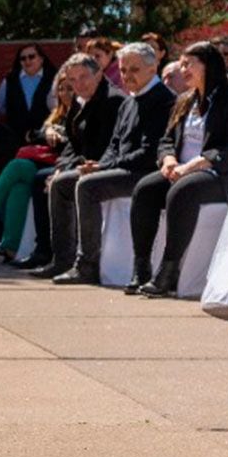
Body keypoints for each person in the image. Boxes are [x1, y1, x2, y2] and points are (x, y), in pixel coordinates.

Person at [127, 41, 228, 298]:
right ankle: (141, 267)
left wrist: (197, 164)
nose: (183, 69)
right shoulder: (185, 101)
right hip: (180, 170)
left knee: (183, 191)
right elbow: (166, 140)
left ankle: (169, 271)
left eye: (189, 64)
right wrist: (168, 161)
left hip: (218, 174)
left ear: (207, 66)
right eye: (182, 64)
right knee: (144, 190)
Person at [47, 42, 177, 285]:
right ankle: (62, 259)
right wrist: (100, 164)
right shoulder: (130, 100)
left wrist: (105, 167)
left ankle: (87, 265)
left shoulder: (163, 100)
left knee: (87, 187)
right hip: (122, 167)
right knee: (62, 183)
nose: (127, 76)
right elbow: (114, 144)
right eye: (123, 70)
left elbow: (149, 153)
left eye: (134, 70)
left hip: (145, 173)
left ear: (153, 69)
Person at [22, 53, 124, 274]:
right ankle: (50, 254)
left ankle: (76, 262)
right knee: (44, 178)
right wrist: (61, 166)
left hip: (104, 164)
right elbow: (72, 143)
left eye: (84, 77)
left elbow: (102, 146)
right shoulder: (80, 101)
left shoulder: (112, 101)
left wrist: (69, 169)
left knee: (61, 184)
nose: (78, 84)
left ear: (98, 74)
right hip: (81, 162)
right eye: (72, 80)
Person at [0, 74, 74, 257]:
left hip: (67, 163)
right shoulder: (56, 115)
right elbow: (34, 135)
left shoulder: (82, 113)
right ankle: (10, 246)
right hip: (45, 163)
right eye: (61, 88)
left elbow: (78, 142)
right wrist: (48, 132)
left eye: (69, 88)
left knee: (18, 166)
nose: (65, 93)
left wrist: (58, 137)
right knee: (18, 187)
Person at [0, 44, 57, 142]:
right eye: (23, 58)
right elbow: (0, 106)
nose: (27, 61)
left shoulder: (54, 78)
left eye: (31, 57)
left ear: (41, 59)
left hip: (45, 136)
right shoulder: (10, 79)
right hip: (15, 137)